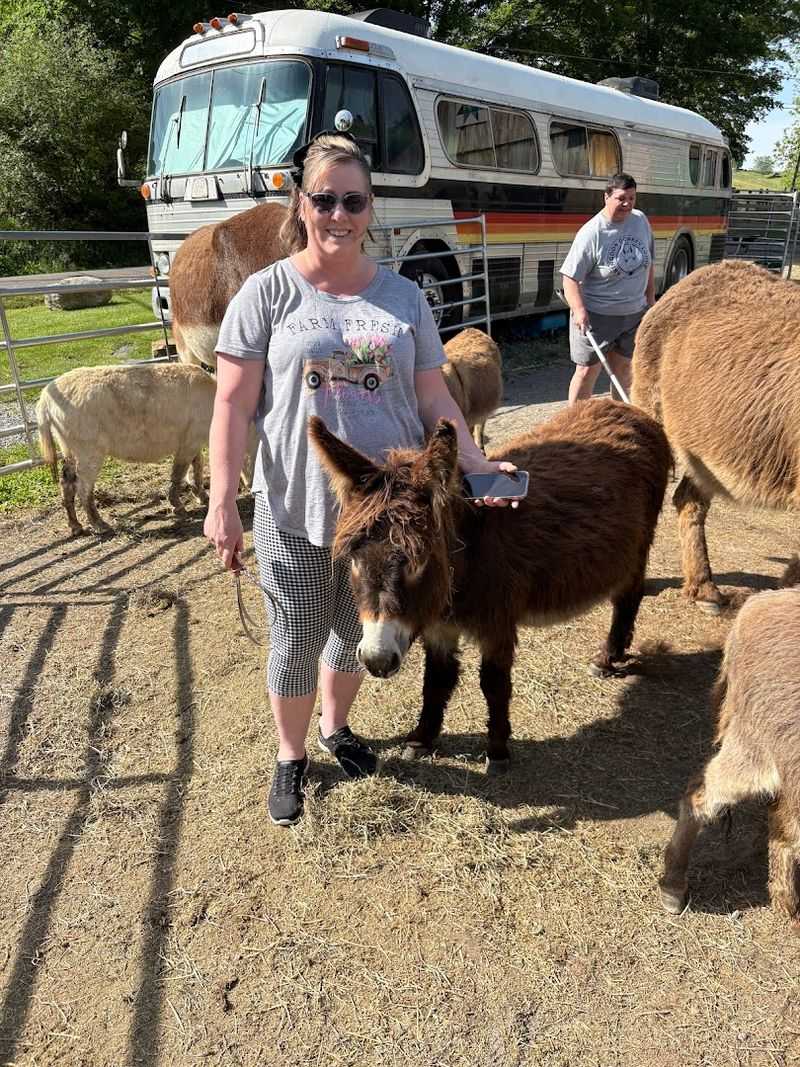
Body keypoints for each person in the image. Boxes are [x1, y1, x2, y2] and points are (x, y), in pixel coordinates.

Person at [204, 131, 516, 827]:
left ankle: (335, 727)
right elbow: (230, 402)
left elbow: (435, 397)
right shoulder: (267, 292)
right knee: (296, 636)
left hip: (390, 518)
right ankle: (290, 755)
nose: (339, 213)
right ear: (302, 204)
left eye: (354, 200)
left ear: (371, 207)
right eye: (325, 199)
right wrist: (222, 499)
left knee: (357, 633)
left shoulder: (404, 297)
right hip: (298, 503)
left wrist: (472, 458)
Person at [560, 173, 655, 405]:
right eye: (621, 198)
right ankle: (574, 427)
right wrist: (580, 310)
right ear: (606, 197)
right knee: (585, 372)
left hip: (633, 315)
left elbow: (649, 262)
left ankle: (620, 422)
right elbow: (569, 278)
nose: (627, 204)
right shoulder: (591, 233)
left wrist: (650, 299)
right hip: (596, 318)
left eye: (632, 198)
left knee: (624, 372)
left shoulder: (640, 220)